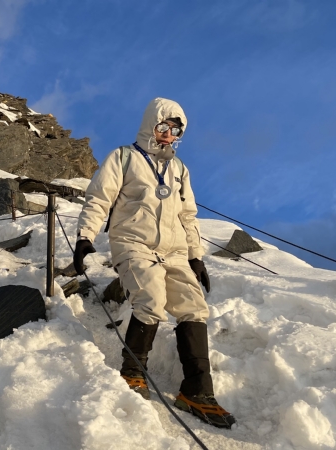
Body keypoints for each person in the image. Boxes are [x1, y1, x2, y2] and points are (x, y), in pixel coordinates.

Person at [73, 97, 235, 429]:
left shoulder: (179, 170)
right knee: (151, 299)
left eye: (176, 130)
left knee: (194, 307)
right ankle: (133, 373)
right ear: (152, 124)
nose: (169, 134)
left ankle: (197, 392)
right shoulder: (124, 157)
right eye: (164, 127)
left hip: (174, 251)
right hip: (133, 243)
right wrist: (84, 236)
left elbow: (188, 215)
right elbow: (100, 196)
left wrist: (196, 257)